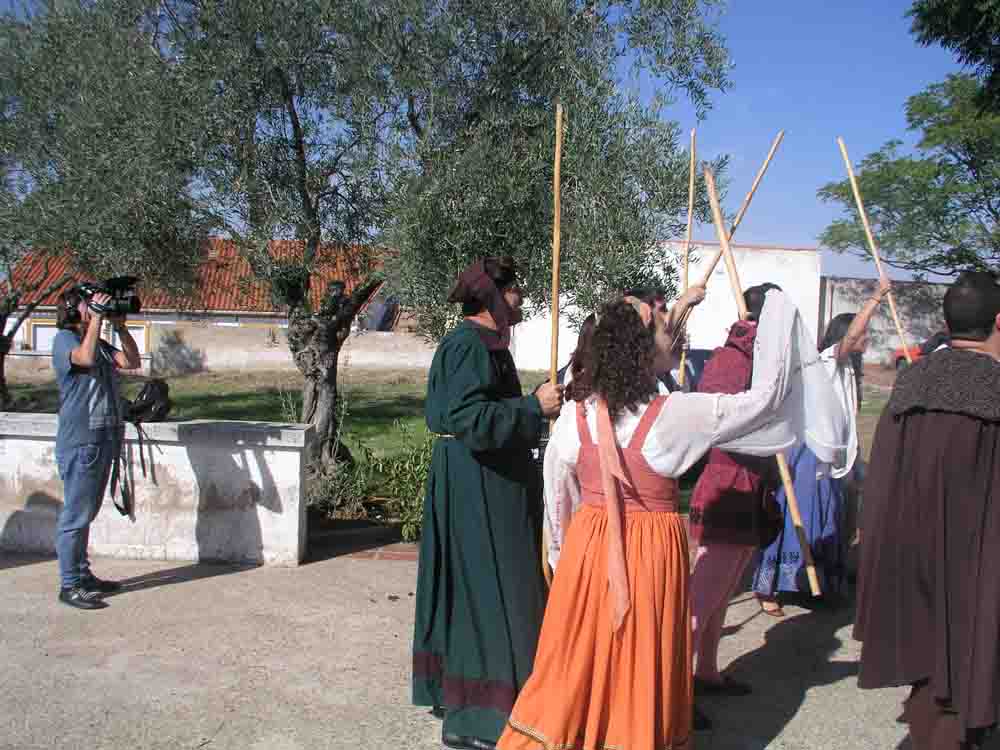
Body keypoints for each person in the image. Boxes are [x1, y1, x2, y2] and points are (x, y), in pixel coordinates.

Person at [496, 288, 848, 750]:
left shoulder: (574, 415)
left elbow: (558, 497)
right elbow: (763, 403)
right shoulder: (679, 415)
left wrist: (564, 560)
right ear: (641, 349)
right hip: (646, 556)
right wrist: (780, 319)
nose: (674, 335)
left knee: (581, 656)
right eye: (665, 328)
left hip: (586, 551)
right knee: (641, 656)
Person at [411, 257, 564, 750]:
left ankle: (482, 699)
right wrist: (530, 408)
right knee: (487, 593)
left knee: (500, 590)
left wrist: (537, 401)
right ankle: (473, 717)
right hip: (477, 486)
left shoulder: (486, 345)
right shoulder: (466, 345)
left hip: (491, 481)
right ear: (494, 297)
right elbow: (465, 417)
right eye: (515, 290)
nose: (520, 298)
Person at [855, 271, 1000, 750]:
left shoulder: (913, 380)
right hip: (980, 563)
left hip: (912, 552)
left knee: (931, 677)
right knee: (969, 675)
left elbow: (882, 482)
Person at [751, 277, 891, 614]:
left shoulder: (845, 373)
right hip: (806, 454)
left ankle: (820, 584)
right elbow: (854, 335)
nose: (867, 340)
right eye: (862, 335)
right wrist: (875, 299)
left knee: (829, 518)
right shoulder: (827, 360)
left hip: (830, 457)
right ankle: (770, 588)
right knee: (796, 517)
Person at [687, 283, 781, 702]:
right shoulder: (730, 359)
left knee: (722, 593)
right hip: (726, 483)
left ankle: (707, 672)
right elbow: (716, 418)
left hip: (750, 483)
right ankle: (674, 694)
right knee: (701, 600)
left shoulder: (763, 359)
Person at [52, 286, 141, 610]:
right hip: (81, 442)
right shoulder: (65, 339)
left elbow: (131, 361)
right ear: (77, 310)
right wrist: (97, 321)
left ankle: (83, 575)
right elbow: (84, 359)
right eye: (90, 306)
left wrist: (118, 326)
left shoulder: (98, 341)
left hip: (103, 438)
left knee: (86, 513)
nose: (96, 310)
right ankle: (70, 584)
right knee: (75, 516)